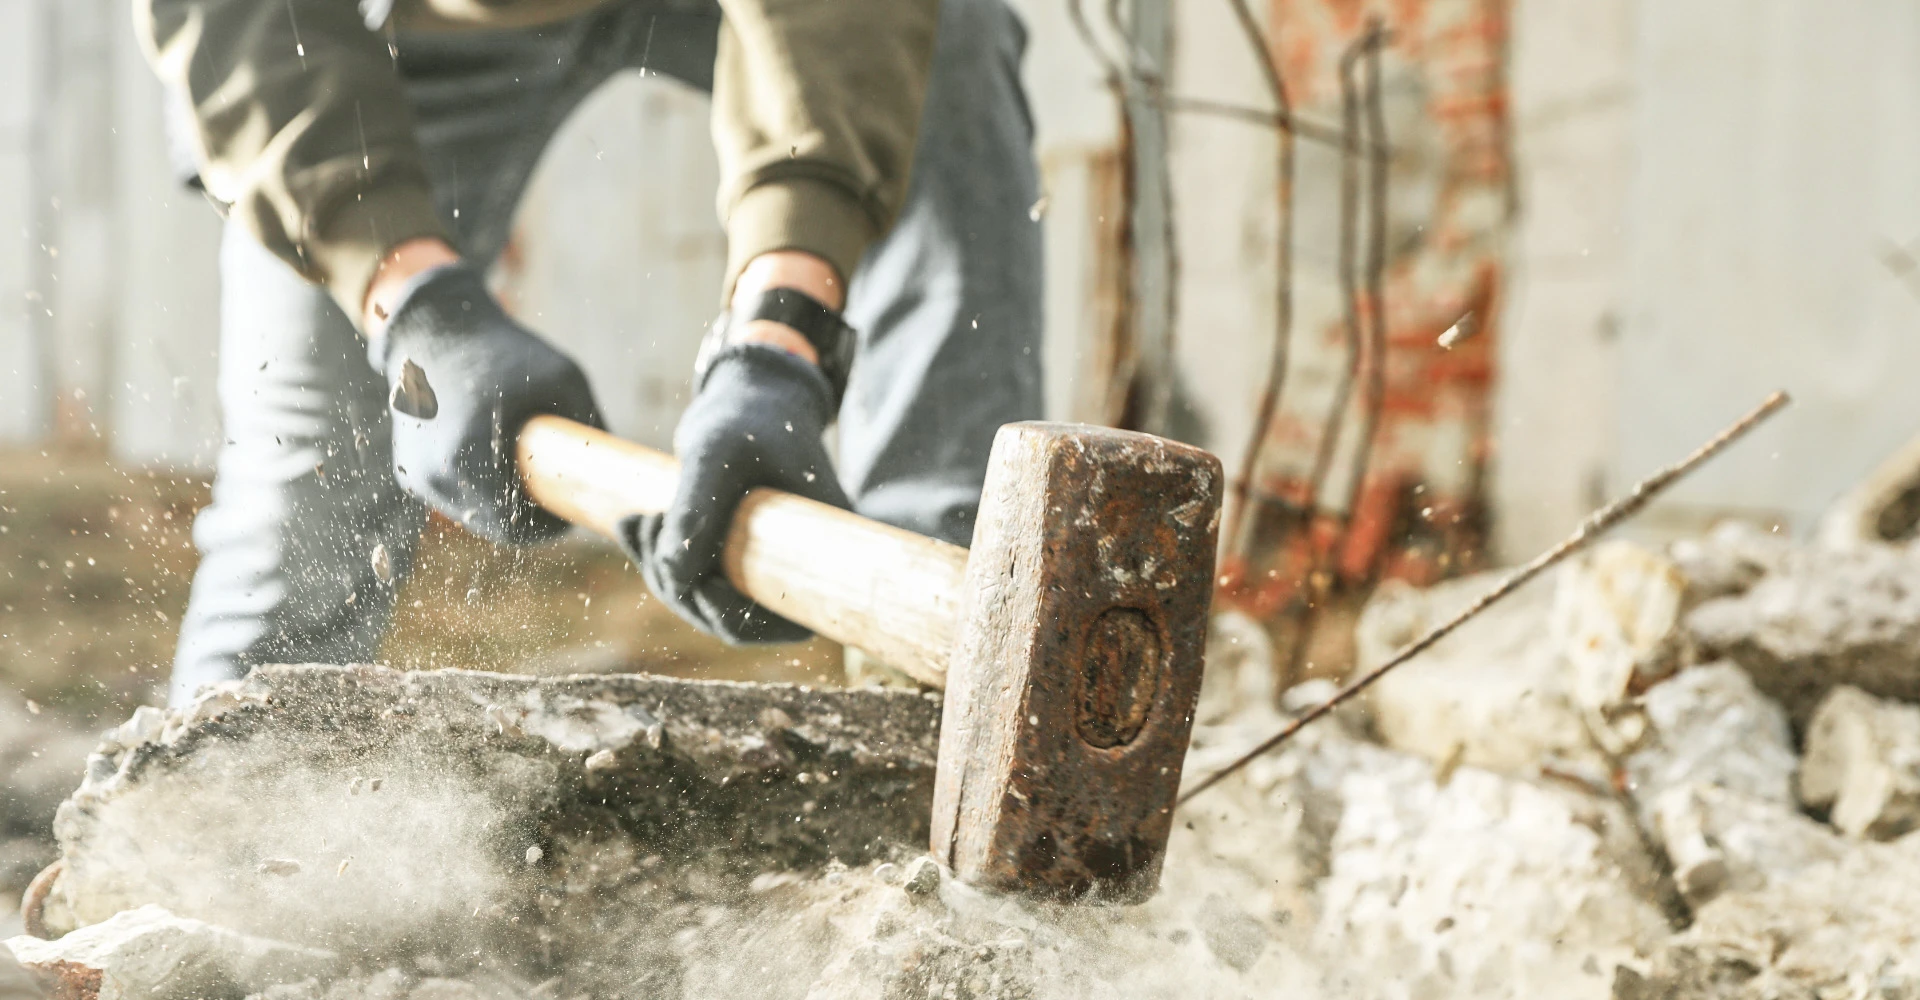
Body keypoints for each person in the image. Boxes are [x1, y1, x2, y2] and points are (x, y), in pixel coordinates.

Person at [138, 0, 1043, 705]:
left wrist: (780, 342)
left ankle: (939, 688)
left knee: (949, 43)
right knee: (306, 504)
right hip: (397, 33)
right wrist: (416, 306)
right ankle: (206, 845)